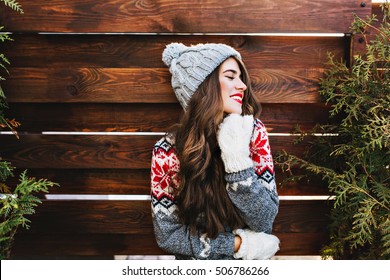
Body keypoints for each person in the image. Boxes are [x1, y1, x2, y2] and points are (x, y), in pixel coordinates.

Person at [150, 42, 280, 260]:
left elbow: (264, 220)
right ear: (203, 87)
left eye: (240, 77)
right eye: (230, 77)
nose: (242, 86)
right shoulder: (168, 152)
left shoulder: (252, 132)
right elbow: (169, 236)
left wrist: (237, 159)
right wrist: (239, 245)